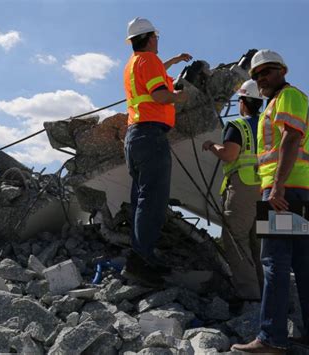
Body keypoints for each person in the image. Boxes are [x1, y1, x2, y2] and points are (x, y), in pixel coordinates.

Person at [231, 50, 309, 353]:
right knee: (302, 262)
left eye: (267, 72)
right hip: (293, 189)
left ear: (282, 71)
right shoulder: (276, 102)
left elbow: (291, 139)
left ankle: (271, 338)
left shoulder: (289, 96)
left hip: (283, 190)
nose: (261, 78)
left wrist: (276, 188)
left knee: (274, 260)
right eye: (257, 75)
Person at [122, 17, 192, 282]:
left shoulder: (134, 63)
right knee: (153, 201)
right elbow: (160, 95)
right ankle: (142, 260)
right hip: (151, 136)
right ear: (151, 38)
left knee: (142, 199)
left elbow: (153, 72)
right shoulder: (149, 61)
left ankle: (139, 256)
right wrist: (180, 96)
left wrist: (173, 61)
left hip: (135, 137)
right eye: (156, 37)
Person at [202, 79, 264, 301]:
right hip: (267, 190)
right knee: (258, 243)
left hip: (245, 187)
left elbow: (229, 155)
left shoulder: (238, 126)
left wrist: (211, 145)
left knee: (236, 240)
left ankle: (250, 296)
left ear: (243, 101)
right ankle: (265, 293)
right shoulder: (269, 127)